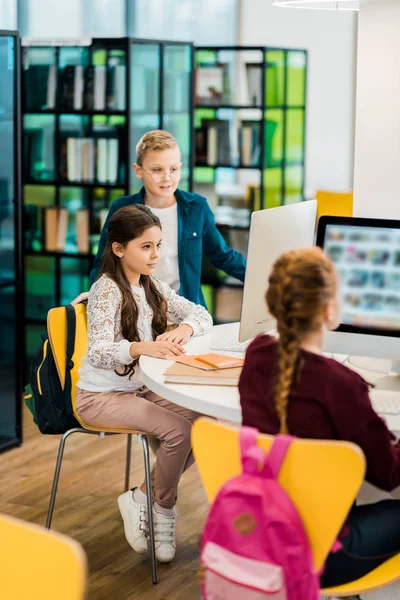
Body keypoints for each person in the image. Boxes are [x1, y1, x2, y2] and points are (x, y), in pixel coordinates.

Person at [239, 247, 400, 591]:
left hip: (259, 537)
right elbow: (388, 474)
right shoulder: (339, 384)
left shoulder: (256, 355)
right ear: (329, 310)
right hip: (321, 554)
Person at [76, 204, 212, 563]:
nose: (156, 255)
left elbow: (201, 313)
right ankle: (163, 509)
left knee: (207, 423)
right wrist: (144, 346)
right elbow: (100, 351)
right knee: (179, 432)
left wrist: (183, 330)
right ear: (119, 249)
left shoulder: (152, 284)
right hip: (101, 395)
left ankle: (141, 496)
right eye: (146, 247)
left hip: (136, 388)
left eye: (159, 245)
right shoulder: (106, 291)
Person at [88, 129, 246, 307]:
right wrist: (96, 302)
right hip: (137, 313)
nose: (167, 178)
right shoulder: (122, 209)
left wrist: (264, 280)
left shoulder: (196, 208)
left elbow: (223, 256)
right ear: (138, 171)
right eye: (157, 170)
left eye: (173, 169)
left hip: (187, 314)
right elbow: (104, 264)